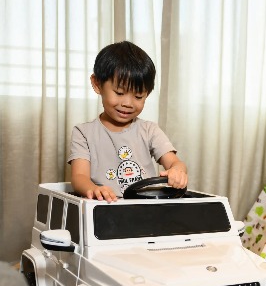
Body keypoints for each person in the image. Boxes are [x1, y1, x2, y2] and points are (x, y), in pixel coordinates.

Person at [68, 40, 187, 202]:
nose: (128, 104)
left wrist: (177, 172)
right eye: (119, 92)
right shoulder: (84, 133)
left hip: (145, 208)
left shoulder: (149, 130)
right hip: (105, 207)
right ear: (97, 84)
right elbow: (79, 176)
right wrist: (94, 190)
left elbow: (175, 163)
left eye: (138, 96)